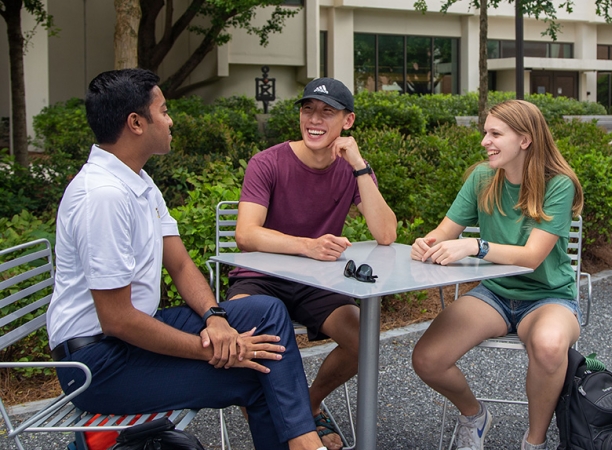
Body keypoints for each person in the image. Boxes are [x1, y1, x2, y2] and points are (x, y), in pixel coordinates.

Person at [46, 68, 326, 450]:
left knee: (265, 311)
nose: (170, 119)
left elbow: (179, 264)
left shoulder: (140, 182)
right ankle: (306, 443)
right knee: (257, 373)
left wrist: (216, 319)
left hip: (129, 340)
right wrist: (211, 348)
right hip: (97, 365)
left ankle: (303, 441)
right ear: (136, 123)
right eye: (163, 110)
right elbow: (117, 319)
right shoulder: (103, 197)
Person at [227, 77, 398, 449]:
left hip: (315, 281)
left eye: (327, 112)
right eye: (308, 109)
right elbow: (246, 234)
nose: (314, 119)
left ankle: (308, 404)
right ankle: (286, 426)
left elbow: (386, 234)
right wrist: (307, 246)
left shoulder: (350, 168)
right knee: (245, 339)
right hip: (260, 276)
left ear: (347, 121)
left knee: (363, 342)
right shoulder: (267, 162)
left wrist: (359, 165)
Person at [410, 99, 584, 450]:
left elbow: (532, 257)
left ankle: (533, 443)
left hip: (548, 297)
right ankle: (474, 415)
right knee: (428, 359)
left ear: (524, 139)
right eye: (485, 132)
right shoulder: (482, 177)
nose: (484, 141)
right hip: (494, 295)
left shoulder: (558, 185)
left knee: (549, 347)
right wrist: (426, 243)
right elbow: (445, 231)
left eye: (494, 133)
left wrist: (475, 246)